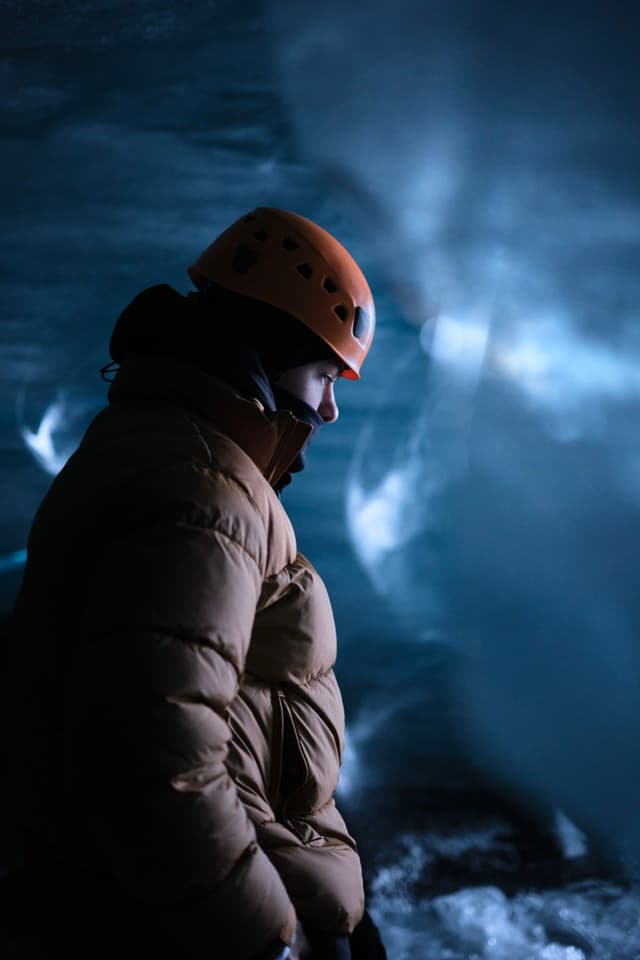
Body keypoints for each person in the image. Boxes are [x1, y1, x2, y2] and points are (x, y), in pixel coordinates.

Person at [6, 207, 387, 959]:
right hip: (166, 925)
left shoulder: (174, 452)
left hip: (196, 890)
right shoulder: (203, 495)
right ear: (268, 355)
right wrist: (271, 941)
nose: (331, 409)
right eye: (321, 375)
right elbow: (152, 760)